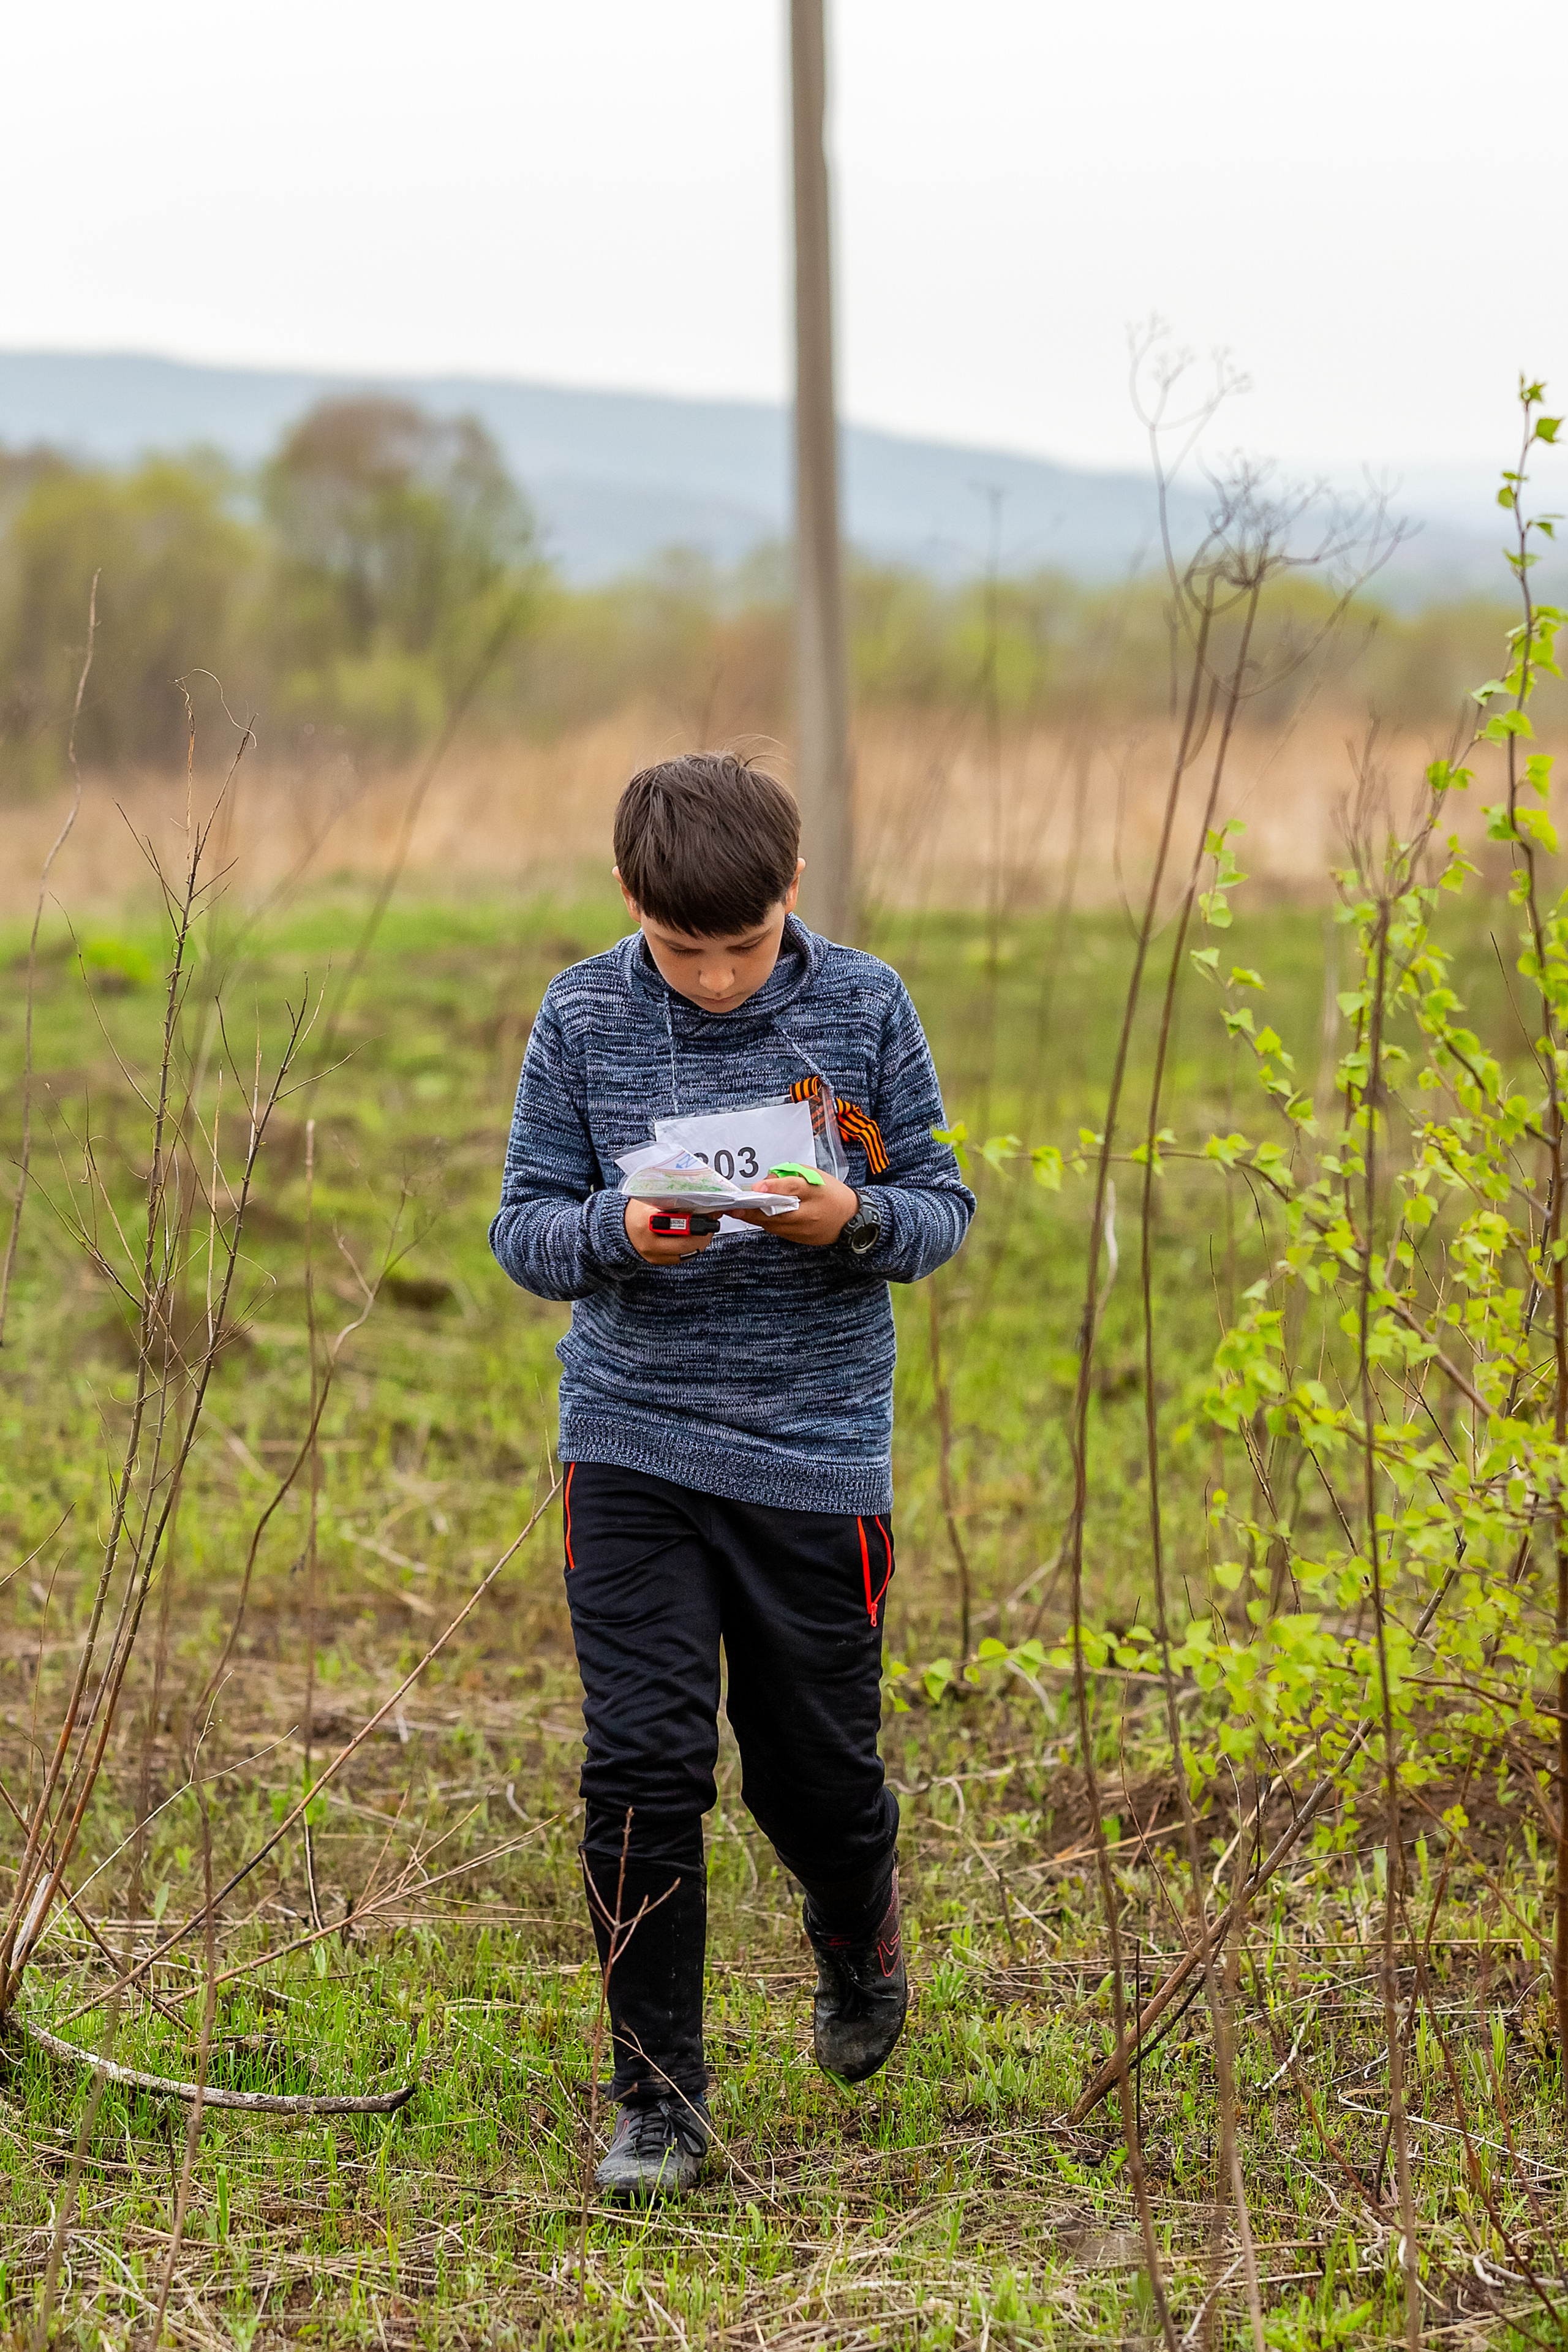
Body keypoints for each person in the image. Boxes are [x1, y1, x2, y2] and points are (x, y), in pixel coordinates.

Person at [489, 752, 974, 2203]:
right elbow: (521, 1227)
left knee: (813, 1773)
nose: (709, 979)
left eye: (741, 947)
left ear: (793, 894)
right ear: (630, 902)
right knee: (640, 1766)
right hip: (628, 1437)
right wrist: (614, 1238)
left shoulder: (865, 1006)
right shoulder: (579, 1012)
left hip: (814, 1449)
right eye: (679, 948)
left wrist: (848, 1220)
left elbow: (938, 1206)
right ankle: (656, 2104)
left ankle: (856, 1921)